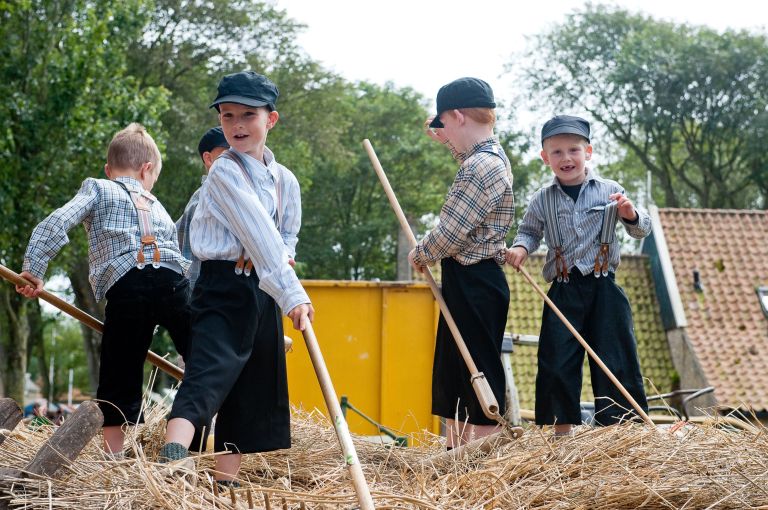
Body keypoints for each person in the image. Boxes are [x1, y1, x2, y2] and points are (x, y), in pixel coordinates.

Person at [158, 71, 313, 485]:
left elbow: (285, 236)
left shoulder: (286, 181)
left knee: (252, 385)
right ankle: (169, 466)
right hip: (222, 286)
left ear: (271, 120)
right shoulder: (224, 171)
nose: (237, 126)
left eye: (248, 115)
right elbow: (259, 236)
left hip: (260, 289)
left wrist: (284, 266)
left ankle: (226, 482)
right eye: (228, 117)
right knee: (209, 371)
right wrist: (292, 294)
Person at [16, 123, 191, 454]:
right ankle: (185, 439)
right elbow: (182, 258)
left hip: (128, 285)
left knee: (120, 369)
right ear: (147, 169)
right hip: (172, 281)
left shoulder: (97, 187)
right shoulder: (160, 207)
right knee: (202, 359)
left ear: (109, 169)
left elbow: (56, 221)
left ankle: (115, 456)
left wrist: (34, 268)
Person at [506, 115, 650, 435]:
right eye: (556, 152)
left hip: (604, 289)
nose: (566, 158)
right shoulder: (542, 198)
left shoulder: (611, 191)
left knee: (615, 358)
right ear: (545, 158)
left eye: (573, 150)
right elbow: (529, 232)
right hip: (564, 288)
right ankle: (562, 435)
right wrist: (520, 249)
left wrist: (630, 214)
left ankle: (619, 432)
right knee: (557, 360)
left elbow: (642, 229)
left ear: (589, 152)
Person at [410, 77, 514, 448]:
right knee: (456, 371)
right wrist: (446, 140)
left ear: (456, 115)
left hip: (476, 280)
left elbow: (451, 232)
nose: (442, 132)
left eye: (443, 124)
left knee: (477, 370)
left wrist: (420, 253)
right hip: (467, 279)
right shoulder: (484, 160)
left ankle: (479, 458)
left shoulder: (480, 168)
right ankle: (455, 455)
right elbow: (467, 157)